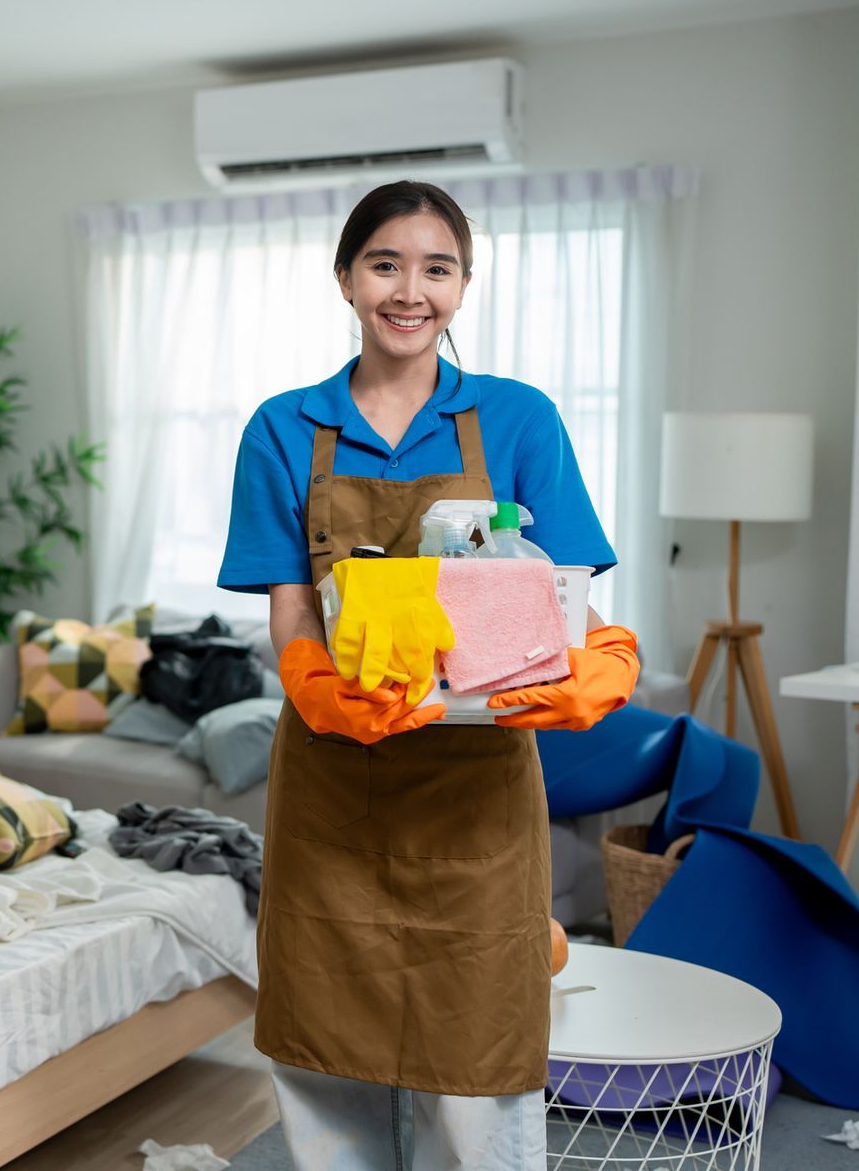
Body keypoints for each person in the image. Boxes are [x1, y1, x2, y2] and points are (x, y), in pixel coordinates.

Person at [217, 181, 641, 1170]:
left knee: (479, 1057)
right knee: (330, 1055)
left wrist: (608, 660)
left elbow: (572, 596)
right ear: (346, 277)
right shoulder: (284, 428)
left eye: (437, 268)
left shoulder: (515, 419)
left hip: (478, 795)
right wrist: (314, 683)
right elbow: (289, 604)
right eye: (386, 264)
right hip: (334, 784)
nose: (412, 290)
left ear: (464, 284)